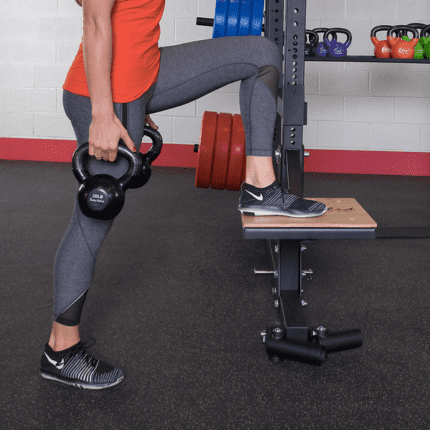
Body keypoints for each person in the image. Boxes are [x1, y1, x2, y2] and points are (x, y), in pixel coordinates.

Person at [40, 0, 327, 390]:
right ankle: (61, 349)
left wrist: (139, 101)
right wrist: (105, 115)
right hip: (110, 92)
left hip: (141, 75)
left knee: (261, 53)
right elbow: (95, 18)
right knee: (94, 217)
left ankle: (261, 187)